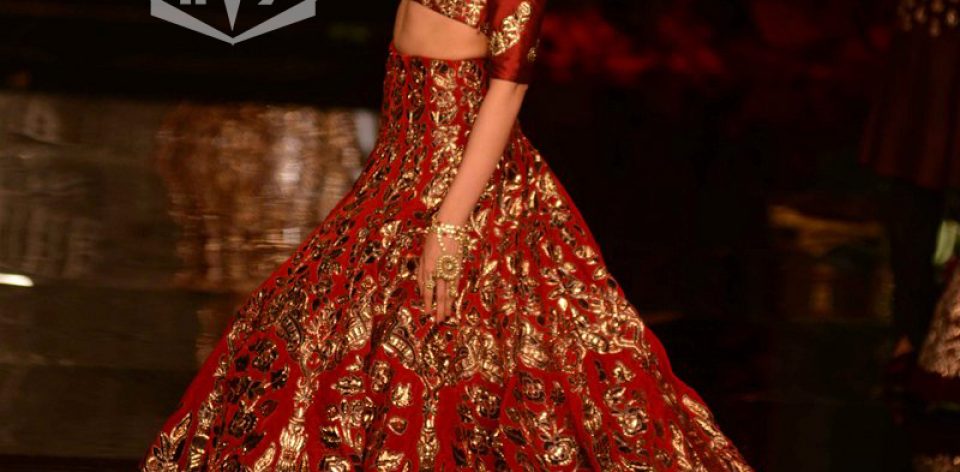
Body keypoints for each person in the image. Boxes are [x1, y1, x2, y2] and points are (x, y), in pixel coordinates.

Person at [141, 1, 752, 470]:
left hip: (459, 179)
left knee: (473, 355)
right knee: (316, 332)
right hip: (395, 171)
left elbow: (506, 92)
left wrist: (452, 223)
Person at [861, 0, 960, 393]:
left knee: (913, 186)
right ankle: (911, 331)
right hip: (928, 35)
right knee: (912, 180)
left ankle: (920, 335)